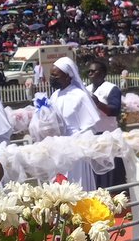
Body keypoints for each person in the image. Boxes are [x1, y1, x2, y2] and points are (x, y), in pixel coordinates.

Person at [49, 57, 100, 189]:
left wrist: (75, 144)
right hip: (59, 148)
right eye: (51, 75)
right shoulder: (54, 96)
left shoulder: (79, 96)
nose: (52, 78)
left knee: (77, 186)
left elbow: (90, 127)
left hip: (76, 150)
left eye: (55, 75)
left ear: (67, 76)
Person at [85, 59, 127, 191]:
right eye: (89, 71)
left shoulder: (111, 89)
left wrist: (98, 104)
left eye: (94, 71)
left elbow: (114, 111)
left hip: (109, 135)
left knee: (112, 174)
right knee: (96, 174)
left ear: (102, 73)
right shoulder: (86, 90)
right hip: (93, 136)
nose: (90, 74)